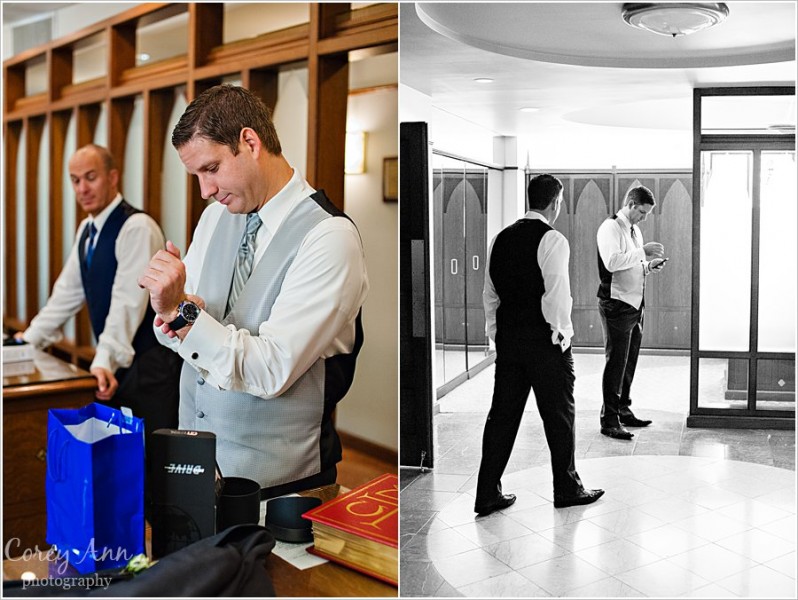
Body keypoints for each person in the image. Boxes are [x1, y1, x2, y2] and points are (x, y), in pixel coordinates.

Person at [138, 85, 368, 500]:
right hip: (196, 467)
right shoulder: (214, 219)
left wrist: (183, 314)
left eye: (211, 169)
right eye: (196, 176)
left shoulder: (329, 237)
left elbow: (271, 369)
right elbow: (175, 332)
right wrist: (170, 307)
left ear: (250, 141)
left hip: (282, 487)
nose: (205, 190)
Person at [16, 144, 181, 437]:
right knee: (121, 463)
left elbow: (126, 304)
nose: (82, 188)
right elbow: (65, 294)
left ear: (113, 177)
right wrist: (26, 342)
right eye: (75, 180)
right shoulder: (87, 231)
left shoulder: (137, 227)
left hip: (150, 369)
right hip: (118, 367)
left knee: (151, 465)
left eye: (91, 177)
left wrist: (104, 359)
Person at [474, 174, 604, 516]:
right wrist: (561, 335)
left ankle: (487, 493)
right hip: (545, 343)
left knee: (501, 417)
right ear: (556, 203)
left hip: (510, 343)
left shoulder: (499, 239)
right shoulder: (552, 239)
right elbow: (557, 293)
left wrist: (496, 334)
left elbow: (490, 294)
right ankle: (567, 487)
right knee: (559, 416)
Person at [596, 185, 667, 440]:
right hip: (616, 303)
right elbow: (612, 262)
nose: (644, 218)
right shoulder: (610, 227)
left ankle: (623, 409)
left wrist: (648, 265)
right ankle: (609, 420)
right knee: (616, 362)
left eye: (647, 214)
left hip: (635, 304)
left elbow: (633, 263)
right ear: (630, 203)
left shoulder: (634, 229)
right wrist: (642, 253)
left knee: (629, 361)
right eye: (642, 212)